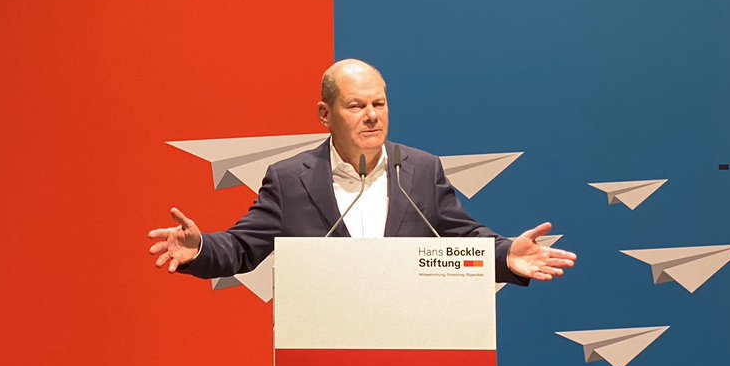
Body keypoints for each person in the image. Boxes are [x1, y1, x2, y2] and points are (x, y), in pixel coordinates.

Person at [147, 59, 575, 285]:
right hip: (324, 354)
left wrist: (505, 255)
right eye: (356, 106)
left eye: (379, 104)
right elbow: (242, 247)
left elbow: (463, 239)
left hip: (412, 347)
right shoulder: (290, 180)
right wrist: (200, 248)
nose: (372, 116)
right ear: (325, 114)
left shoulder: (420, 171)